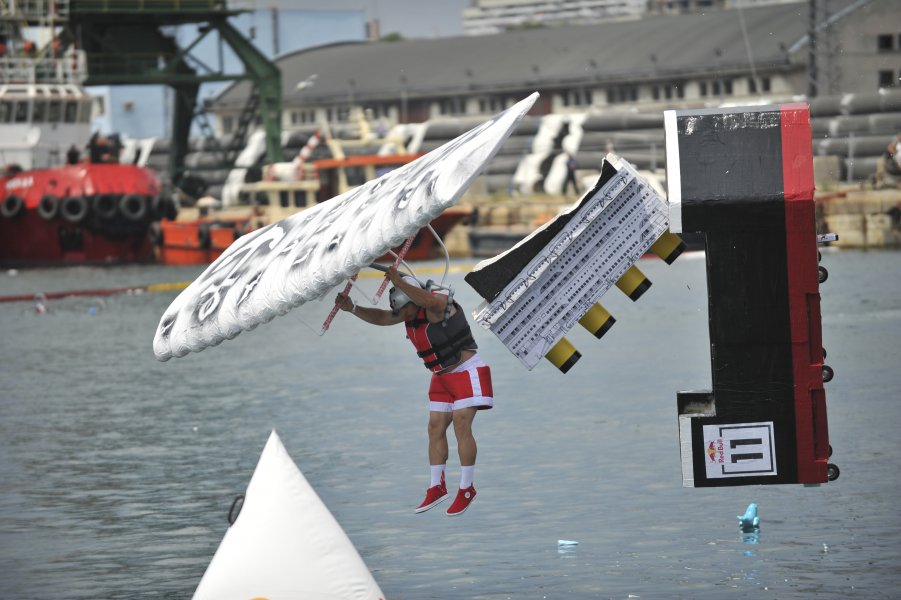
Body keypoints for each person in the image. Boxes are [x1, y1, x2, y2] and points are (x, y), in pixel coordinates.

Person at [335, 266, 493, 516]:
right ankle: (436, 486)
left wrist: (398, 280)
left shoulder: (439, 304)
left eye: (404, 309)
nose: (401, 315)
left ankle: (466, 487)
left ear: (413, 299)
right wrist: (352, 308)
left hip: (467, 371)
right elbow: (384, 318)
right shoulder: (410, 311)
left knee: (462, 425)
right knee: (434, 428)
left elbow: (428, 300)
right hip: (441, 376)